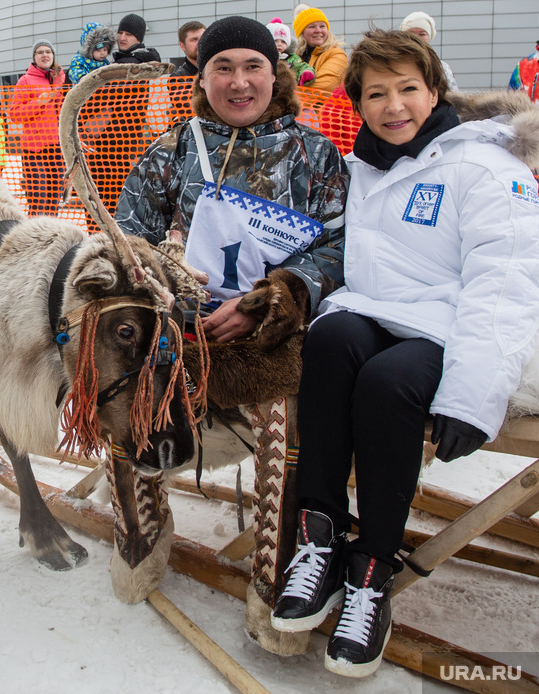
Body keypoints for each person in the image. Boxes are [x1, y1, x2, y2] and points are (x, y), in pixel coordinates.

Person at [270, 29, 539, 678]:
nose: (395, 107)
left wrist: (474, 394)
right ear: (358, 104)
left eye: (408, 90)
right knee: (329, 340)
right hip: (370, 310)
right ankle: (320, 534)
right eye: (377, 94)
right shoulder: (357, 170)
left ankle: (372, 568)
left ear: (435, 91)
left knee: (388, 382)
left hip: (447, 329)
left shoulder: (486, 166)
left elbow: (504, 281)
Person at [115, 15, 348, 343]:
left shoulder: (316, 153)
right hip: (181, 340)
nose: (239, 83)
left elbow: (337, 248)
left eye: (253, 66)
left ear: (274, 74)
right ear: (202, 79)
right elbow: (130, 245)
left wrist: (267, 303)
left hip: (284, 342)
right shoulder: (170, 152)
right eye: (223, 68)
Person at [9, 40, 67, 215]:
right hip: (35, 150)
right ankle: (34, 238)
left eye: (48, 51)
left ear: (53, 56)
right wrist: (39, 101)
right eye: (40, 52)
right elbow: (14, 114)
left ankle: (51, 237)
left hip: (57, 148)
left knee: (54, 200)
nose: (45, 55)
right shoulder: (25, 80)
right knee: (38, 199)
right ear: (34, 58)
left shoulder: (61, 79)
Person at [400, 11, 459, 91]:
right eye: (411, 33)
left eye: (422, 34)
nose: (416, 38)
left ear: (429, 37)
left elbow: (452, 95)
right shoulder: (394, 63)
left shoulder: (441, 67)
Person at [293, 6, 347, 92]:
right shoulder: (294, 57)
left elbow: (324, 86)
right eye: (312, 26)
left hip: (324, 105)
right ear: (301, 33)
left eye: (322, 26)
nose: (318, 30)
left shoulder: (337, 54)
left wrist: (288, 92)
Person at [266, 16, 315, 86]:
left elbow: (300, 66)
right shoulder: (264, 57)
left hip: (286, 90)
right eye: (275, 41)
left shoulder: (291, 58)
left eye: (283, 41)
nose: (279, 44)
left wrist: (306, 72)